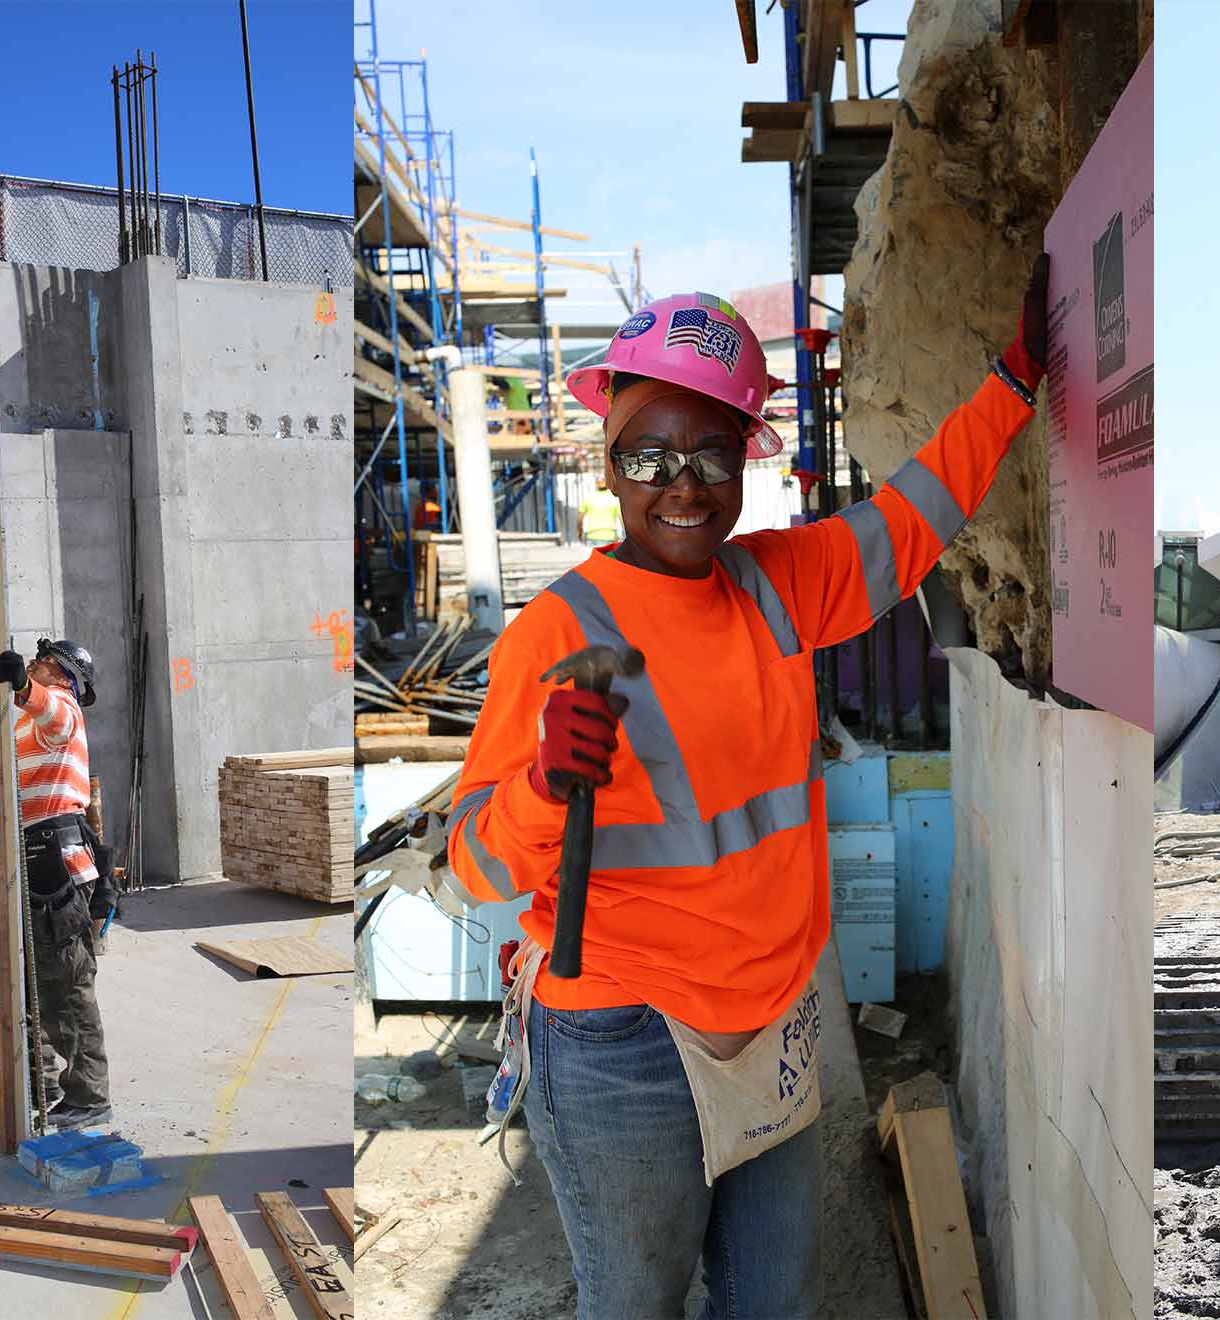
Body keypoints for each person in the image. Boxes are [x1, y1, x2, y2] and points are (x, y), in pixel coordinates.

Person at [440, 264, 1047, 1315]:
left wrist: (1017, 378)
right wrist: (543, 782)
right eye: (651, 454)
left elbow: (911, 523)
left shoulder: (776, 585)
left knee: (770, 1306)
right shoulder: (560, 633)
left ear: (744, 462)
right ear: (611, 465)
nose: (684, 483)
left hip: (775, 1018)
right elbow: (473, 866)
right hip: (625, 1042)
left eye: (711, 453)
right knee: (634, 1306)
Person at [0, 638, 117, 1132]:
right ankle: (43, 1081)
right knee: (35, 984)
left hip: (56, 865)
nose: (33, 665)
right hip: (32, 857)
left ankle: (89, 1095)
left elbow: (55, 717)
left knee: (68, 984)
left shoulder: (61, 707)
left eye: (41, 663)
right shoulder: (24, 724)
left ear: (62, 673)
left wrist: (23, 686)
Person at [579, 475, 623, 547]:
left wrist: (579, 533)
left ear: (596, 484)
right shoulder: (614, 499)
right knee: (607, 558)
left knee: (594, 558)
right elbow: (622, 519)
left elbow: (580, 519)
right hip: (610, 536)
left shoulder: (588, 498)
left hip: (592, 536)